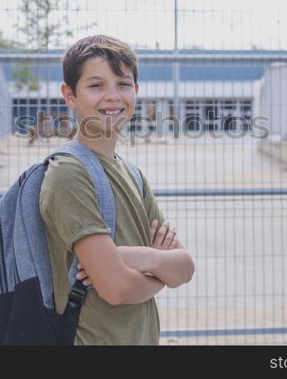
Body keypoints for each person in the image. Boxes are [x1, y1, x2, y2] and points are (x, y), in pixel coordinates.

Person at [39, 35, 195, 345]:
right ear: (69, 95)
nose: (112, 96)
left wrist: (129, 257)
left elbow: (185, 268)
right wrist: (158, 267)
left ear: (135, 91)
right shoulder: (69, 174)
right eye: (96, 85)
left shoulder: (132, 173)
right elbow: (116, 289)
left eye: (123, 84)